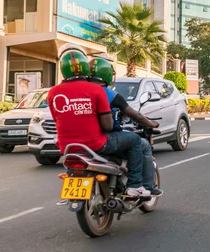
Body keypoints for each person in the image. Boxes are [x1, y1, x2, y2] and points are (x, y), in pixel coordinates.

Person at [47, 45, 150, 198]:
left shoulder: (53, 92)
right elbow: (108, 126)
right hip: (96, 143)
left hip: (66, 146)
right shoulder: (96, 90)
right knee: (135, 140)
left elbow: (57, 119)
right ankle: (134, 186)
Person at [88, 56, 162, 197]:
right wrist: (150, 123)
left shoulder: (81, 93)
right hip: (104, 139)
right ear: (107, 75)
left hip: (81, 140)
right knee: (141, 143)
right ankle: (140, 186)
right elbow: (134, 114)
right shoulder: (109, 94)